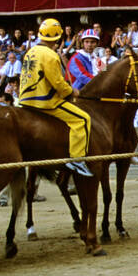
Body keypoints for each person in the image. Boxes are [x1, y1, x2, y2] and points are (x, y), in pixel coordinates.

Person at [18, 18, 93, 177]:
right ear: (58, 38)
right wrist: (72, 91)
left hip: (24, 100)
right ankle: (77, 159)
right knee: (83, 119)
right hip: (44, 101)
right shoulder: (50, 55)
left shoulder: (29, 52)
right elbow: (58, 83)